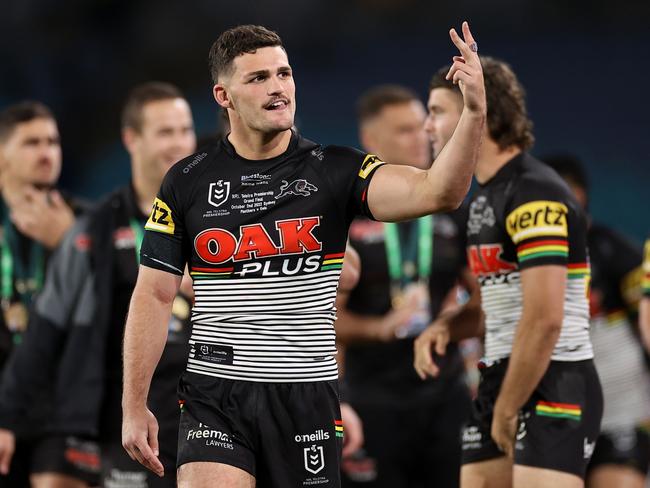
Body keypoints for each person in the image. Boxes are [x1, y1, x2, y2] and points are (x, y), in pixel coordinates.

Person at [121, 22, 486, 488]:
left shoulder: (335, 169)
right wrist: (134, 405)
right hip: (216, 395)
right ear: (223, 96)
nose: (277, 88)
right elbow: (153, 294)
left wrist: (473, 111)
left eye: (284, 74)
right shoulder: (186, 181)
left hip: (306, 396)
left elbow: (439, 191)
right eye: (258, 78)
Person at [414, 57, 603, 488]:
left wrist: (507, 405)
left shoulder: (535, 191)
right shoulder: (484, 199)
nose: (428, 127)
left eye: (438, 112)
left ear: (480, 113)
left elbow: (544, 320)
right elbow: (498, 308)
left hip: (554, 379)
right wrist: (447, 325)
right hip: (501, 377)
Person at [0, 82, 197, 487]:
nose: (178, 143)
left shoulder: (216, 217)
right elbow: (47, 329)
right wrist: (7, 417)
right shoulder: (97, 226)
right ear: (131, 139)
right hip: (117, 417)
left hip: (202, 410)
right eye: (165, 132)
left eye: (183, 130)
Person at [337, 85, 472, 488]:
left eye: (422, 126)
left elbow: (484, 302)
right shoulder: (345, 216)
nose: (423, 136)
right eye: (404, 130)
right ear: (371, 142)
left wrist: (447, 325)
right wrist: (379, 329)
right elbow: (324, 318)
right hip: (373, 398)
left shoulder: (454, 209)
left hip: (444, 395)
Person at [0, 101, 95, 487]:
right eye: (32, 143)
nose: (46, 153)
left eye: (52, 142)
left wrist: (68, 241)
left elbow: (120, 303)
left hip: (64, 405)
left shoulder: (90, 221)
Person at [544, 154, 650, 488]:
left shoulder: (613, 251)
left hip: (619, 414)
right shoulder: (519, 258)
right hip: (550, 419)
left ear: (581, 196)